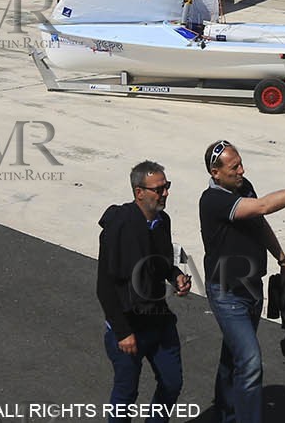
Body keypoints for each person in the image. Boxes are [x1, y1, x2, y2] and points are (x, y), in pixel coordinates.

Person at [199, 141, 285, 423]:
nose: (242, 170)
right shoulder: (213, 200)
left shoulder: (242, 186)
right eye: (234, 167)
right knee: (250, 363)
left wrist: (283, 259)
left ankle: (225, 414)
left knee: (233, 358)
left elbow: (259, 222)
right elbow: (263, 207)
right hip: (228, 295)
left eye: (241, 163)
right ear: (215, 173)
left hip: (252, 289)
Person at [97, 160, 191, 412]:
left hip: (158, 321)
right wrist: (122, 331)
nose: (165, 193)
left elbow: (160, 265)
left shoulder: (162, 222)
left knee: (172, 383)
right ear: (139, 192)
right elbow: (105, 285)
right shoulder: (119, 227)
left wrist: (175, 276)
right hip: (129, 327)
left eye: (166, 186)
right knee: (126, 394)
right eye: (158, 189)